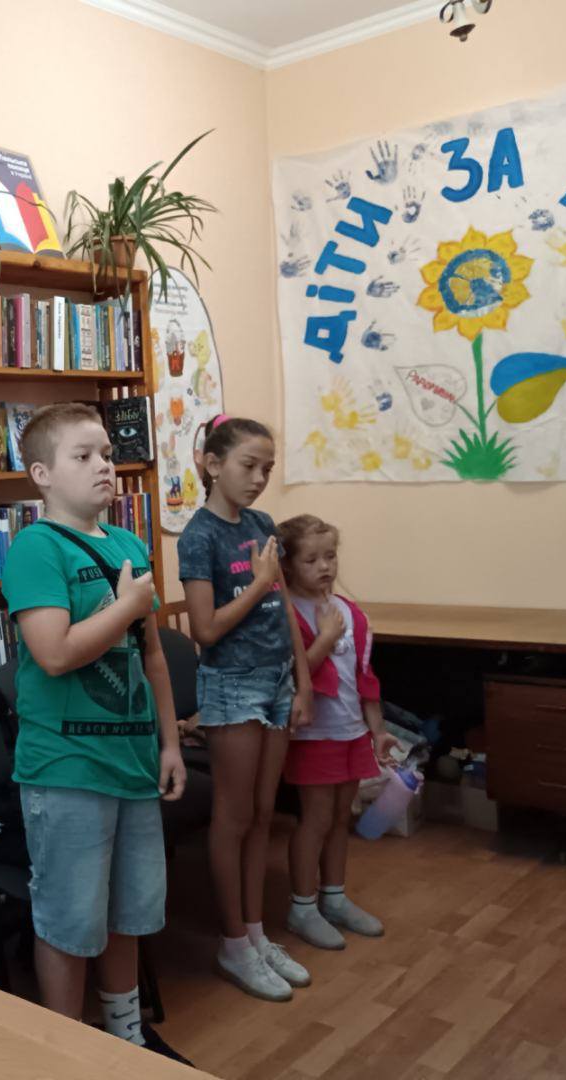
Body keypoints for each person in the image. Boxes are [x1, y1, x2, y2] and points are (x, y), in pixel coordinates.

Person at [0, 402, 188, 1063]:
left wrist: (169, 743)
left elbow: (152, 655)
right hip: (67, 768)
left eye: (106, 452)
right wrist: (128, 604)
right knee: (70, 920)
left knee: (129, 911)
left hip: (132, 762)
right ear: (42, 475)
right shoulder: (35, 548)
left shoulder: (129, 546)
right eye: (83, 456)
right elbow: (54, 653)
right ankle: (66, 1052)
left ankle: (124, 1032)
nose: (104, 465)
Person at [176, 414, 313, 1003]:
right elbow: (205, 630)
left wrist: (302, 681)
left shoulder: (261, 525)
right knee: (232, 817)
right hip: (232, 686)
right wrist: (256, 584)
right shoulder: (198, 536)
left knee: (262, 812)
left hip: (276, 680)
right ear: (213, 464)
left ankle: (255, 934)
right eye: (249, 466)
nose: (259, 479)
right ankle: (232, 942)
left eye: (268, 469)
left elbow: (283, 610)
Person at [278, 513, 398, 949]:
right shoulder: (286, 612)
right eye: (311, 560)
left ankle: (335, 897)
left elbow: (366, 678)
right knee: (316, 819)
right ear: (287, 564)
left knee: (341, 817)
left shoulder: (351, 612)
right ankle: (302, 907)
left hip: (351, 733)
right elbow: (294, 675)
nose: (324, 566)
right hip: (313, 737)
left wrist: (377, 731)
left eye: (330, 556)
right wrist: (326, 638)